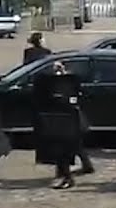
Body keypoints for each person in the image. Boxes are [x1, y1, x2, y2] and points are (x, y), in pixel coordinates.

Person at [33, 61, 92, 189]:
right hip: (61, 121)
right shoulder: (50, 81)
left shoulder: (70, 81)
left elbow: (77, 93)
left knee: (67, 149)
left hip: (70, 121)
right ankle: (69, 173)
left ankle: (67, 176)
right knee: (69, 147)